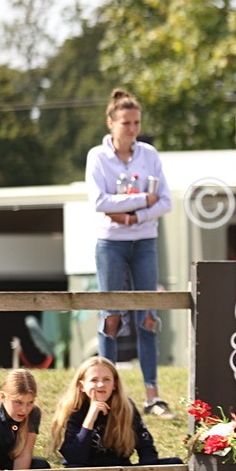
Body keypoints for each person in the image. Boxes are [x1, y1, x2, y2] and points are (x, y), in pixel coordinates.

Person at [85, 89, 174, 416]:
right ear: (111, 123)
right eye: (125, 123)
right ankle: (103, 394)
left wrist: (132, 214)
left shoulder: (149, 154)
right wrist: (142, 199)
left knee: (148, 316)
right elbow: (98, 202)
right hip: (110, 243)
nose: (132, 129)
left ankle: (153, 395)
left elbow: (165, 201)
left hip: (144, 241)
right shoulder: (97, 156)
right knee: (110, 315)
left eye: (136, 122)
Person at [49, 356, 181, 467]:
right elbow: (75, 458)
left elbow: (146, 448)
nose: (101, 385)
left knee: (175, 463)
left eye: (106, 379)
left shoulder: (126, 407)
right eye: (94, 380)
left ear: (114, 384)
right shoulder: (74, 409)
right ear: (82, 386)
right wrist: (91, 417)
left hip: (119, 470)